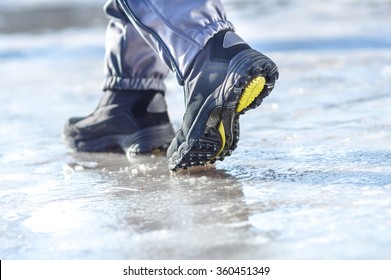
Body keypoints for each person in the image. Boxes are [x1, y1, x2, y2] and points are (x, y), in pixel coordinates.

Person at [63, 0, 279, 171]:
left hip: (204, 47)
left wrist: (202, 39)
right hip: (133, 90)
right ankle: (131, 97)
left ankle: (208, 57)